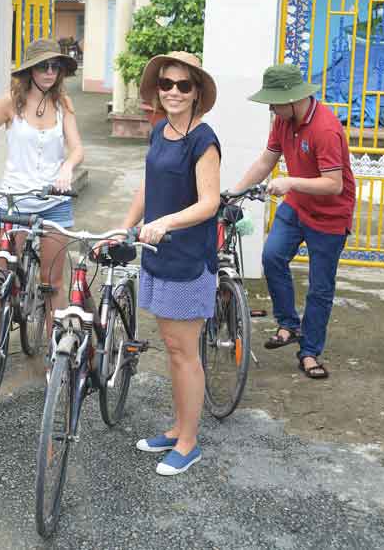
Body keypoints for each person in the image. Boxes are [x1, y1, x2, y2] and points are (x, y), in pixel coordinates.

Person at [0, 38, 84, 379]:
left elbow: (76, 150)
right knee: (1, 276)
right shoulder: (10, 103)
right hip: (13, 202)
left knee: (52, 281)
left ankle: (58, 354)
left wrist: (67, 169)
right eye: (43, 66)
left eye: (55, 66)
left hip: (53, 203)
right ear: (29, 70)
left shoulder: (63, 104)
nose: (50, 72)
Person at [120, 51, 221, 476]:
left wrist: (165, 223)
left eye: (183, 85)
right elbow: (150, 184)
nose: (174, 92)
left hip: (189, 259)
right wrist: (126, 225)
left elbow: (209, 203)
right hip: (157, 255)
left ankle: (189, 442)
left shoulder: (204, 139)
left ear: (196, 92)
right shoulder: (160, 131)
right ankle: (178, 428)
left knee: (185, 352)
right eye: (167, 84)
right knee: (173, 348)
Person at [233, 63, 355, 380]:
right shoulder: (283, 120)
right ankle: (288, 323)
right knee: (272, 256)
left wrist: (291, 182)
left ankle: (310, 352)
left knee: (320, 288)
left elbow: (334, 184)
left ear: (292, 98)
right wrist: (233, 192)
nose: (271, 108)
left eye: (274, 101)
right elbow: (266, 161)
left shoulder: (325, 129)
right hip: (297, 207)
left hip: (330, 214)